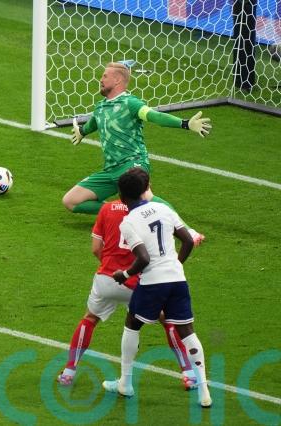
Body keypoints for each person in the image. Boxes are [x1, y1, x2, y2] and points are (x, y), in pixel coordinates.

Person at [57, 185, 196, 390]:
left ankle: (68, 372)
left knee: (90, 318)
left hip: (107, 279)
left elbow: (96, 248)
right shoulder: (151, 212)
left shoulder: (106, 209)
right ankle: (189, 374)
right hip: (137, 282)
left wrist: (110, 267)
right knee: (167, 320)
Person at [63, 62, 210, 245]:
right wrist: (82, 131)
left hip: (133, 164)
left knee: (147, 198)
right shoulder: (100, 107)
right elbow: (94, 123)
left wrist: (185, 124)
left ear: (117, 80)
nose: (100, 79)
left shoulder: (131, 103)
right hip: (110, 170)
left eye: (105, 76)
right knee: (71, 201)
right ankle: (124, 212)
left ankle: (188, 231)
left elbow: (156, 116)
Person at [102, 168, 212, 408]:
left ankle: (125, 383)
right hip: (177, 279)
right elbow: (187, 240)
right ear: (145, 189)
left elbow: (143, 258)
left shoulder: (128, 222)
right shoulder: (164, 209)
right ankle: (204, 391)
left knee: (132, 323)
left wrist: (125, 274)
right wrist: (176, 264)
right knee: (187, 331)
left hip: (153, 282)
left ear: (121, 196)